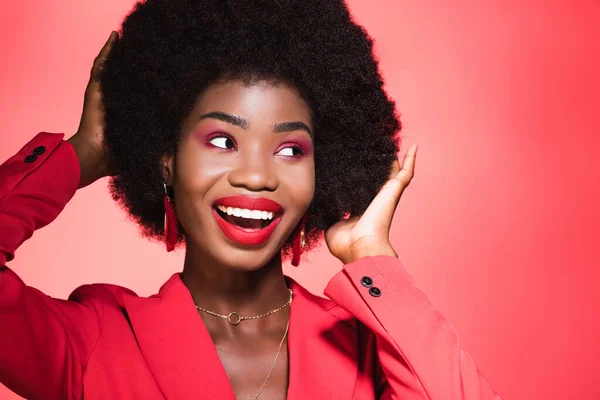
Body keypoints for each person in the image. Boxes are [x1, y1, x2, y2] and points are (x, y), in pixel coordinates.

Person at [0, 0, 501, 399]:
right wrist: (81, 155)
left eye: (290, 149)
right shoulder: (94, 343)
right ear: (165, 159)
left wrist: (370, 254)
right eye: (222, 141)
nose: (258, 177)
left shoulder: (369, 352)